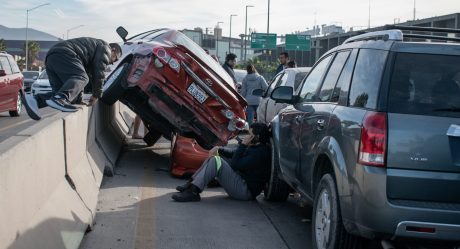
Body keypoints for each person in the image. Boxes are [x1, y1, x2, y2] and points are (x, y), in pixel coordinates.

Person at [22, 37, 122, 120]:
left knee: (62, 93)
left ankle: (35, 99)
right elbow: (99, 73)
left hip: (52, 57)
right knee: (81, 78)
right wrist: (96, 95)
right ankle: (60, 98)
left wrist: (79, 99)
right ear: (113, 50)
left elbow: (83, 78)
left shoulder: (94, 52)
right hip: (65, 53)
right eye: (115, 58)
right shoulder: (105, 48)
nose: (113, 62)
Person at [171, 122, 271, 202]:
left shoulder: (259, 153)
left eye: (249, 134)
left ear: (256, 137)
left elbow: (235, 164)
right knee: (213, 158)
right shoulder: (256, 147)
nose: (246, 136)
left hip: (245, 192)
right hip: (241, 183)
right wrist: (219, 149)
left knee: (216, 160)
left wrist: (243, 145)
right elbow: (234, 153)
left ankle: (193, 193)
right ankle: (192, 184)